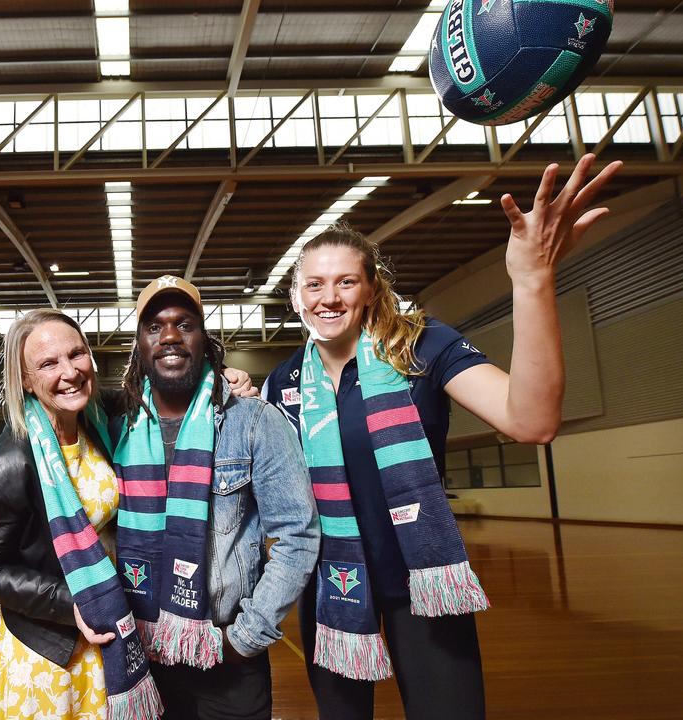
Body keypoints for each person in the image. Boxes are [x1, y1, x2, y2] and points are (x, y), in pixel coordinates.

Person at [262, 155, 622, 719]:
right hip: (331, 581)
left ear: (370, 290)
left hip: (424, 581)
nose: (328, 297)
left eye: (345, 281)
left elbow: (531, 420)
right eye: (314, 284)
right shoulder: (282, 381)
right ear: (296, 296)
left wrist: (532, 281)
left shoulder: (421, 347)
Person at [113, 275, 320, 720]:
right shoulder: (115, 427)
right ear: (139, 345)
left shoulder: (254, 421)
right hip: (138, 654)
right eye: (155, 327)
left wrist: (244, 640)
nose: (170, 336)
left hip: (226, 655)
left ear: (204, 339)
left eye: (184, 324)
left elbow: (296, 536)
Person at [0, 309, 161, 720]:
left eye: (76, 354)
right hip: (46, 648)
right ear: (27, 381)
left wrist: (227, 376)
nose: (69, 371)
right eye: (48, 363)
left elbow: (162, 393)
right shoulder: (10, 463)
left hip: (105, 629)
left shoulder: (98, 424)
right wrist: (73, 605)